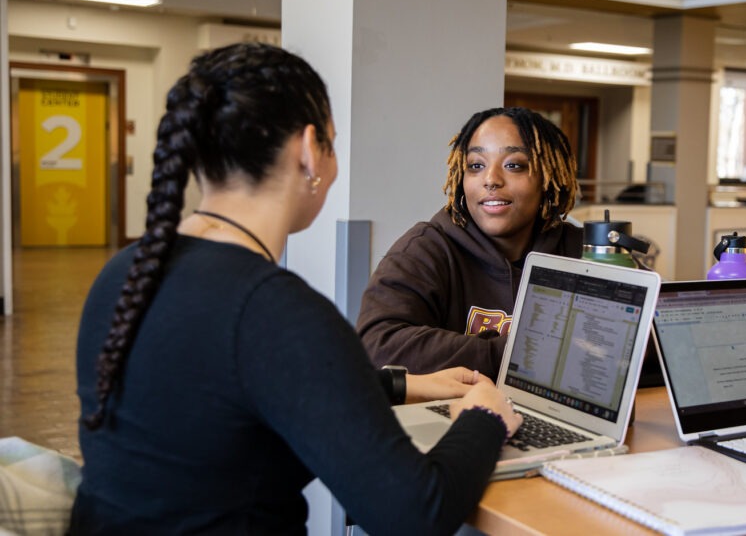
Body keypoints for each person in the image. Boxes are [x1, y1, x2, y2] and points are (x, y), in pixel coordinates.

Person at [71, 43, 522, 534]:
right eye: (333, 143)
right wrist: (484, 418)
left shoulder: (125, 272)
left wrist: (400, 385)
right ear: (310, 150)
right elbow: (415, 514)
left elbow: (221, 392)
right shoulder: (276, 311)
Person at [357, 107, 582, 376]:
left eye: (514, 165)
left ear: (549, 177)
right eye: (476, 166)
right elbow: (377, 348)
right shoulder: (425, 249)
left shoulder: (581, 251)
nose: (491, 180)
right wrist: (520, 355)